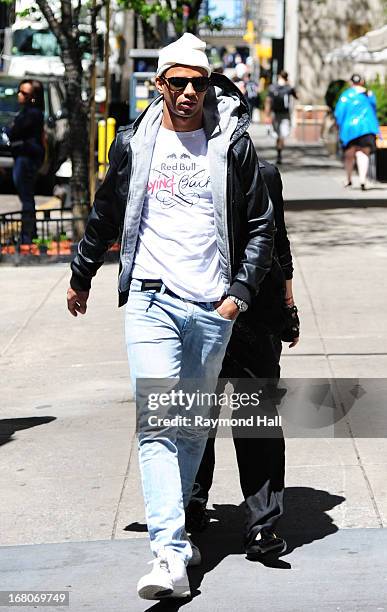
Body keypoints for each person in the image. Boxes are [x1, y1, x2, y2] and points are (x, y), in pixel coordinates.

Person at [67, 33, 274, 600]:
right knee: (159, 422)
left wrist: (239, 294)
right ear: (158, 85)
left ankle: (177, 540)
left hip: (212, 306)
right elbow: (109, 209)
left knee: (188, 429)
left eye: (197, 82)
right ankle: (168, 554)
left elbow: (261, 226)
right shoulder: (136, 142)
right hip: (151, 299)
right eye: (176, 82)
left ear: (210, 86)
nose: (187, 92)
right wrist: (82, 271)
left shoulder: (230, 143)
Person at [187, 159, 300, 560]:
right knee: (196, 414)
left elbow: (279, 243)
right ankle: (192, 505)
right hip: (195, 310)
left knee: (256, 419)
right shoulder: (180, 169)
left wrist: (287, 306)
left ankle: (262, 523)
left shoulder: (263, 175)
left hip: (256, 316)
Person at [7, 79, 45, 243]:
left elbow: (14, 131)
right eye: (19, 91)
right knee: (26, 197)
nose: (19, 95)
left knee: (27, 198)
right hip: (22, 157)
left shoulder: (33, 114)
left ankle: (27, 237)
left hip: (26, 159)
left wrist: (13, 129)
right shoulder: (25, 112)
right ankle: (29, 234)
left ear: (33, 96)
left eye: (24, 93)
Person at [334, 74, 380, 190]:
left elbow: (339, 112)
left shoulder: (346, 95)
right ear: (362, 81)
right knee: (363, 153)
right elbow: (374, 109)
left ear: (351, 82)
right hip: (366, 127)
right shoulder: (369, 94)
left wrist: (338, 125)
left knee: (349, 155)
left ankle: (349, 179)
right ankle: (362, 179)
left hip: (349, 129)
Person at [264, 70, 298, 165]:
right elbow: (297, 96)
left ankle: (279, 152)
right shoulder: (289, 88)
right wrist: (291, 85)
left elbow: (268, 101)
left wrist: (267, 115)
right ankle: (279, 151)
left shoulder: (272, 87)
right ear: (287, 78)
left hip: (275, 113)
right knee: (283, 134)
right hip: (285, 114)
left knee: (279, 134)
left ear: (279, 76)